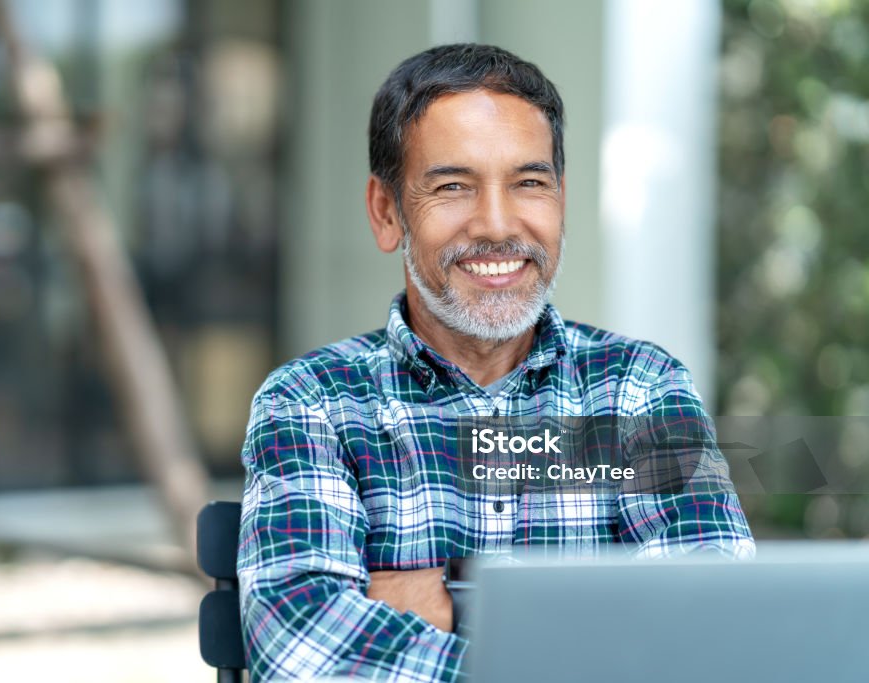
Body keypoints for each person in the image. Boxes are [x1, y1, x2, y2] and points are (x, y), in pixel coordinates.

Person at [236, 43, 754, 682]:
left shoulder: (640, 391)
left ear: (560, 200)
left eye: (529, 183)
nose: (497, 223)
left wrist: (453, 599)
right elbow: (305, 651)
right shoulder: (311, 402)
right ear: (386, 211)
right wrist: (586, 642)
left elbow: (714, 634)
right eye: (453, 186)